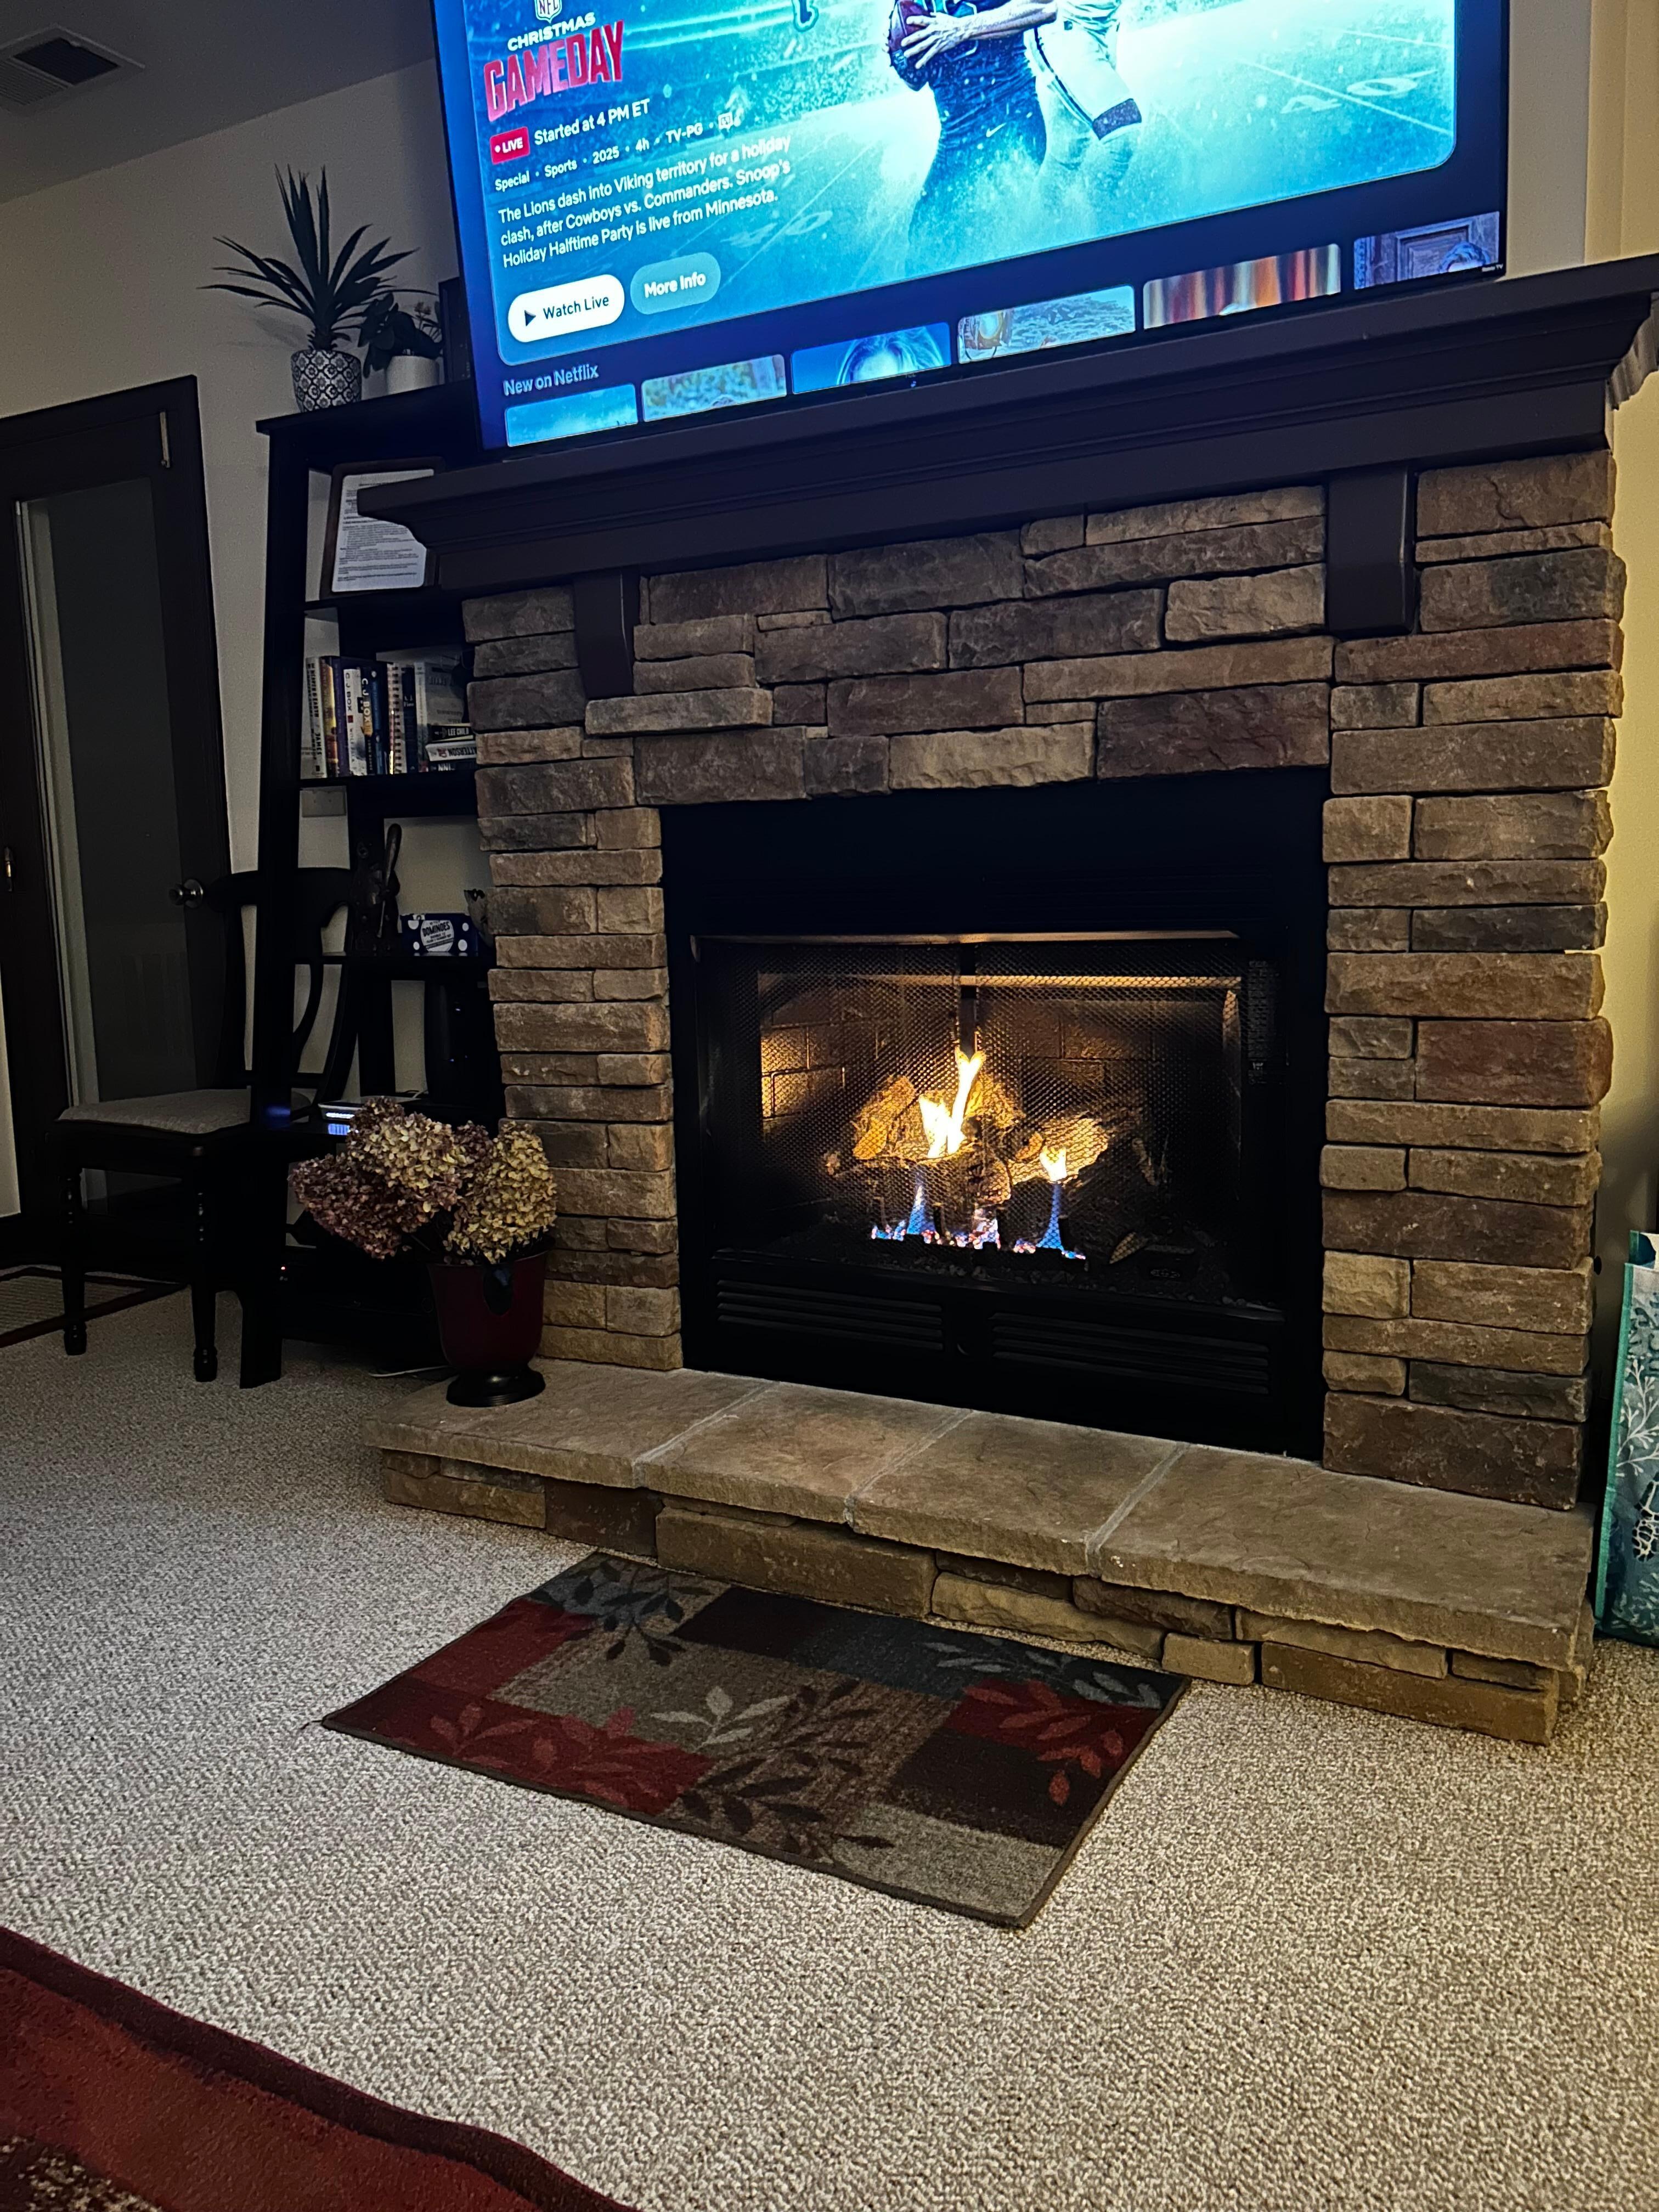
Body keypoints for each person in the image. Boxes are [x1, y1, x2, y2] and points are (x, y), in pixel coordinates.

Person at [893, 0, 1058, 279]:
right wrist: (901, 55)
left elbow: (1045, 8)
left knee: (992, 248)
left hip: (1009, 121)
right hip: (958, 139)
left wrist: (963, 29)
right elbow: (917, 79)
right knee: (922, 247)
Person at [1030, 0, 1142, 228]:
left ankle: (1031, 235)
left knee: (1065, 156)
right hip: (1064, 31)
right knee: (1123, 133)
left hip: (1104, 29)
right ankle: (1101, 228)